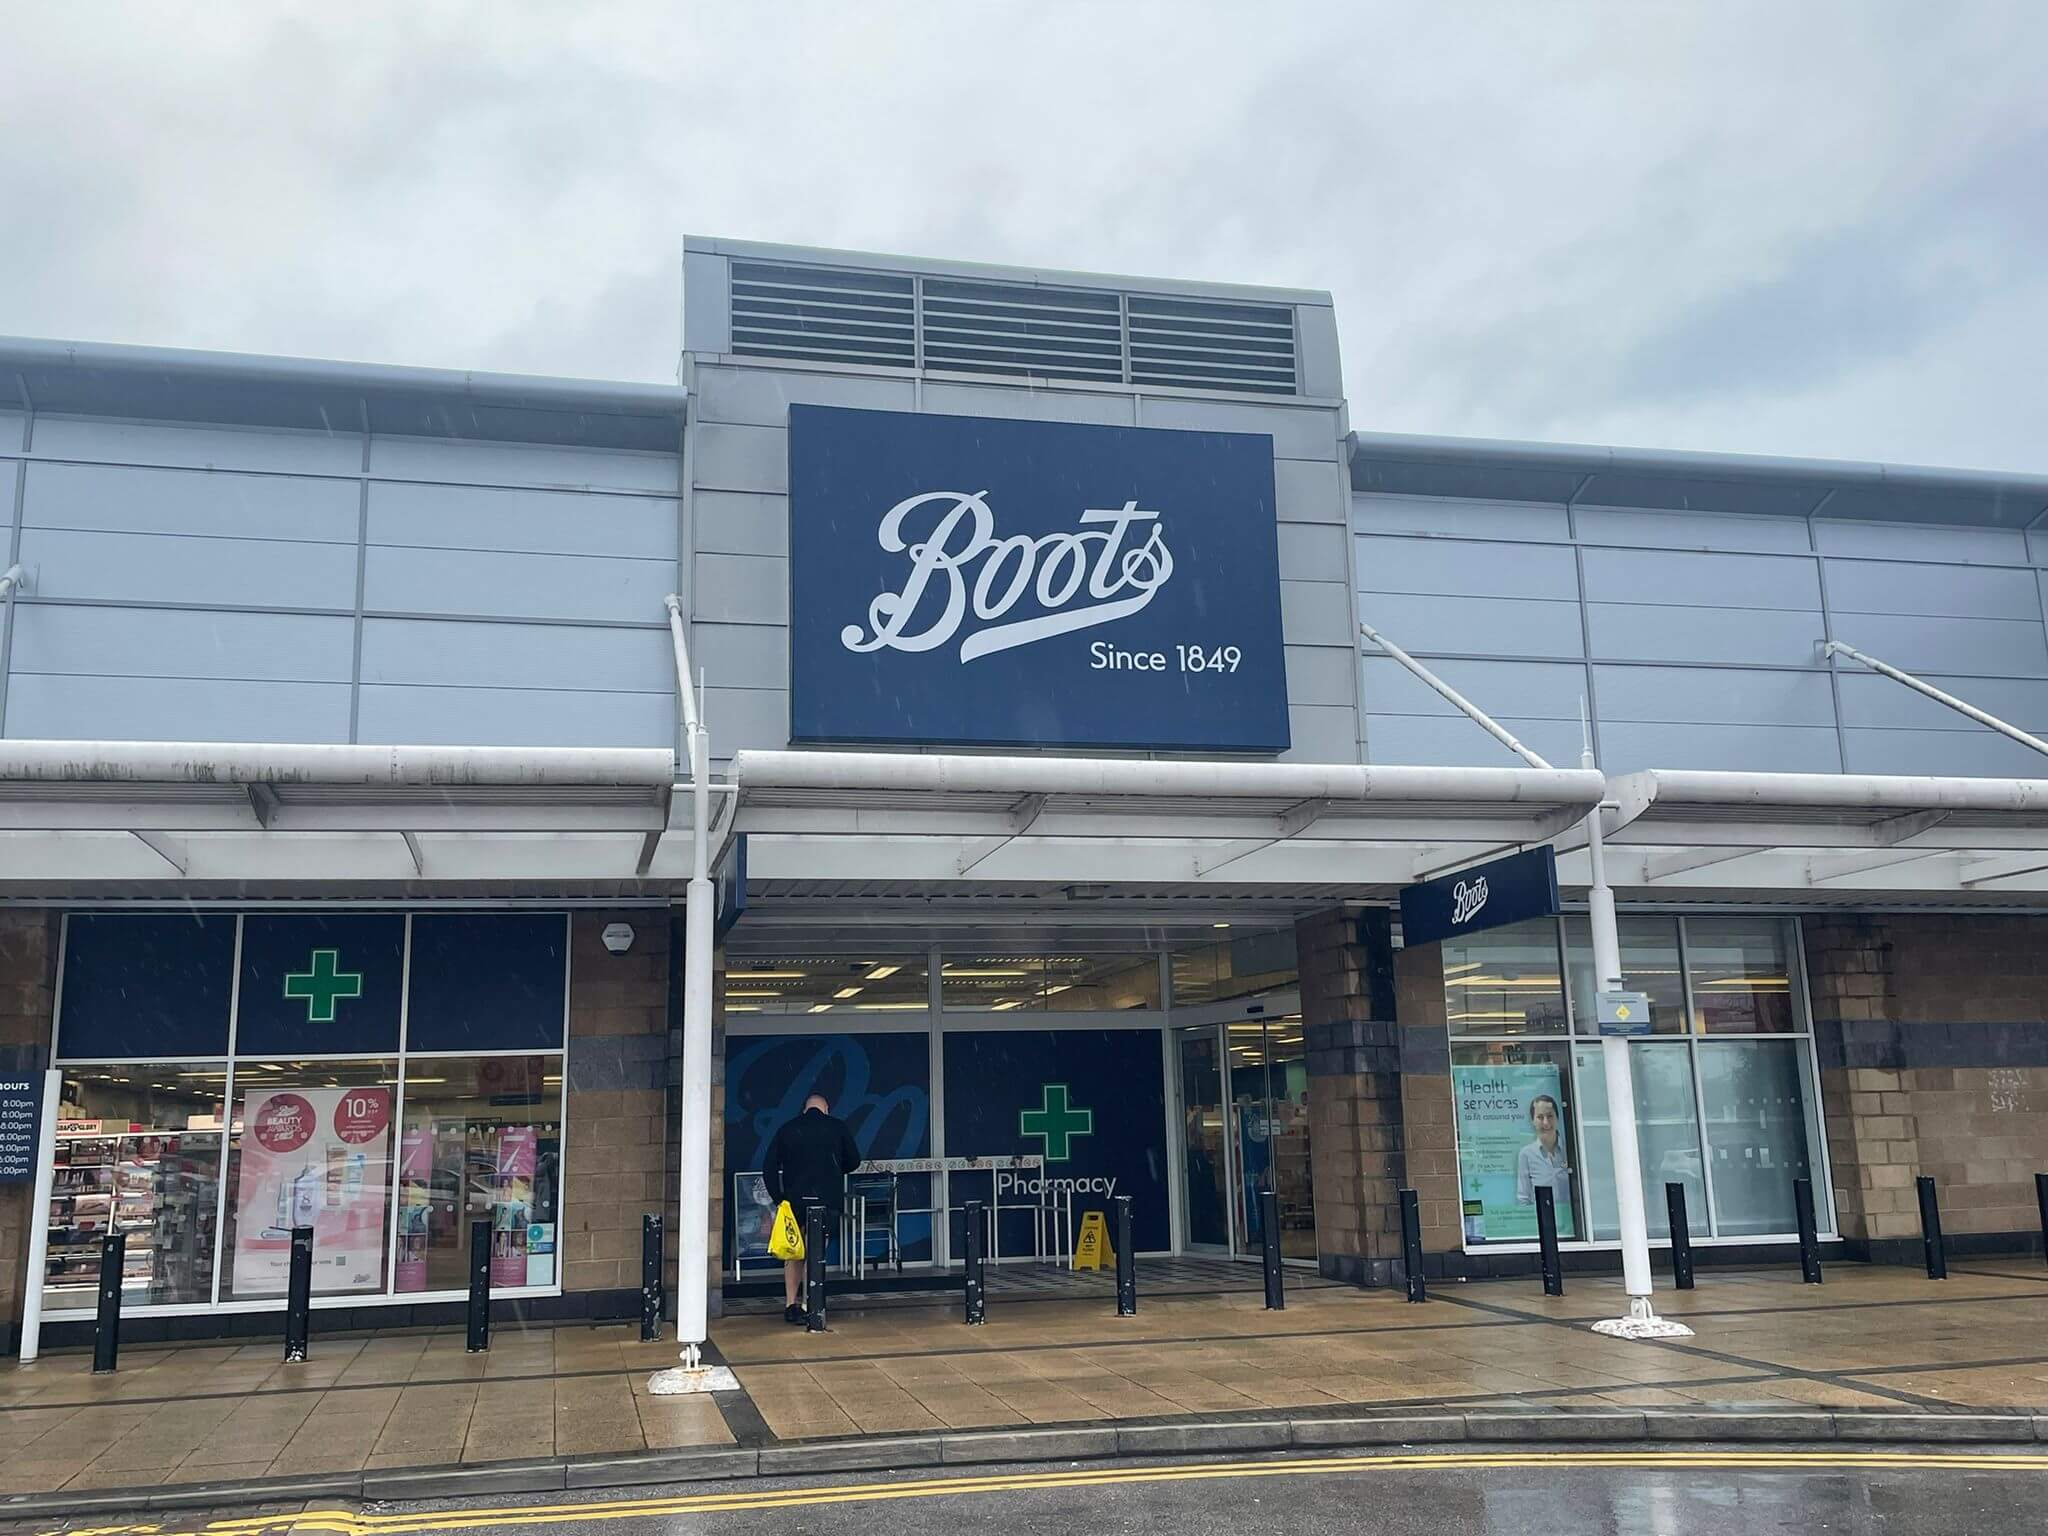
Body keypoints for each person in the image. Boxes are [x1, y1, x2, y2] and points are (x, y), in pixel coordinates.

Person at [762, 1093, 861, 1325]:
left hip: (795, 1200)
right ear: (826, 1108)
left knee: (794, 1251)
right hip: (826, 1198)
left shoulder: (788, 1129)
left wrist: (779, 1198)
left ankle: (791, 1304)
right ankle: (812, 1302)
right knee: (816, 1252)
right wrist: (834, 1170)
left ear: (804, 1108)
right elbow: (854, 1160)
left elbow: (769, 1166)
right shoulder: (837, 1127)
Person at [1514, 1093, 1572, 1215]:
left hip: (1572, 1219)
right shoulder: (1526, 1154)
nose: (1546, 1122)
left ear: (1557, 1118)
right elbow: (1523, 1198)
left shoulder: (1571, 1151)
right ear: (1532, 1121)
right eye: (1540, 1117)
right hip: (1542, 1220)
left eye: (1550, 1116)